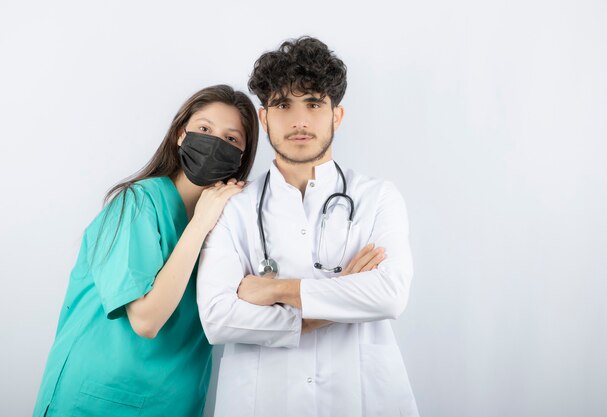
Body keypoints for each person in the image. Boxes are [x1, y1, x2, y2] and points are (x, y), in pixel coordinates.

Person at [197, 37, 420, 416]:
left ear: (337, 115)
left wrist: (273, 290)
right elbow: (218, 319)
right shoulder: (233, 205)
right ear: (265, 117)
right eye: (283, 105)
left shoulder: (378, 197)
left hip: (362, 398)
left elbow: (390, 294)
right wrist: (344, 293)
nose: (299, 121)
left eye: (314, 103)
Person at [32, 85, 259, 417]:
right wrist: (199, 224)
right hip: (94, 401)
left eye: (231, 139)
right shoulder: (138, 203)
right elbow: (147, 320)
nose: (214, 144)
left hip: (173, 403)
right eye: (204, 130)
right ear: (181, 135)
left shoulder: (232, 223)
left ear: (243, 156)